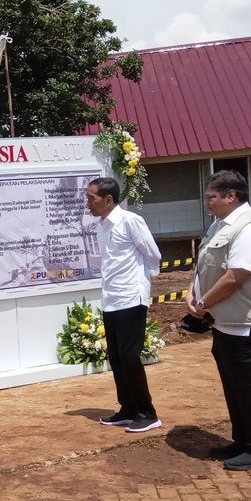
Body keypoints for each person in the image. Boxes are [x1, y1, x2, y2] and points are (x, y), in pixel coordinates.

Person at [187, 170, 251, 471]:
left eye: (212, 197)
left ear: (231, 196)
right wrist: (193, 292)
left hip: (250, 326)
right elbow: (206, 266)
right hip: (227, 323)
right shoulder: (220, 226)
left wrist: (203, 303)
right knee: (235, 389)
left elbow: (235, 276)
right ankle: (243, 441)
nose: (208, 203)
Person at [85, 177, 163, 433]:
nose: (88, 203)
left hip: (131, 297)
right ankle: (128, 408)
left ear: (109, 199)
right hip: (112, 299)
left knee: (130, 357)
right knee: (117, 357)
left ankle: (147, 413)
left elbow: (152, 254)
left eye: (92, 198)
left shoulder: (130, 221)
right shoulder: (102, 226)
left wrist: (143, 282)